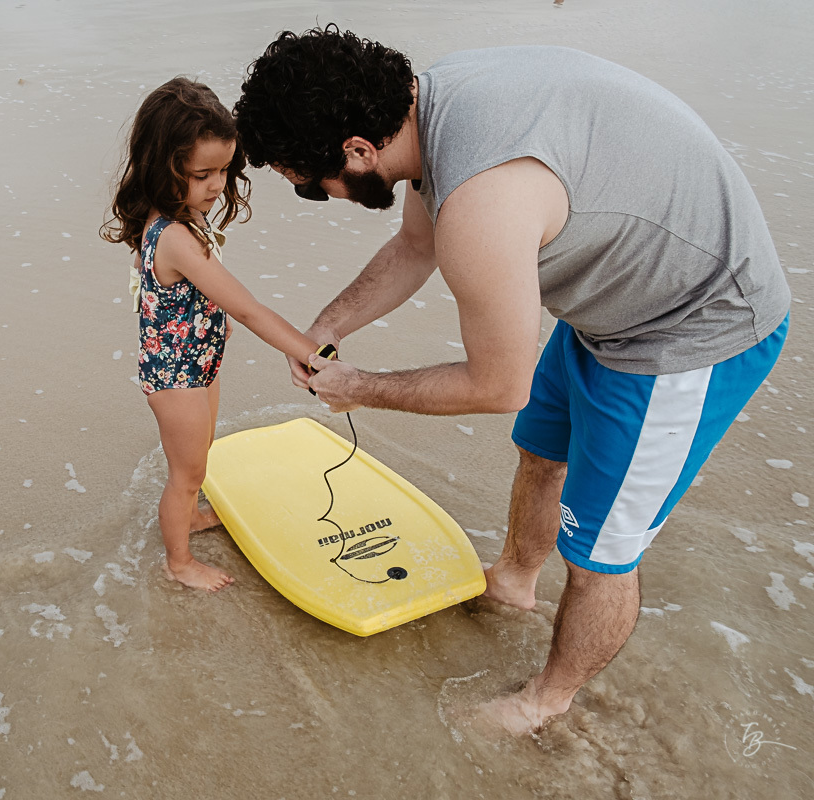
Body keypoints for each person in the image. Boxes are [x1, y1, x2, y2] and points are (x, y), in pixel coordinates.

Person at [234, 28, 790, 732]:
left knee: (599, 556)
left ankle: (544, 703)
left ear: (358, 151)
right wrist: (331, 325)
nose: (321, 196)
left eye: (312, 187)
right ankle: (516, 582)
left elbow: (499, 387)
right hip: (617, 296)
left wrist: (360, 386)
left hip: (691, 326)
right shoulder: (432, 106)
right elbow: (414, 245)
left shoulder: (480, 200)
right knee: (542, 450)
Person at [101, 77, 324, 593]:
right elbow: (246, 309)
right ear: (164, 167)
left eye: (225, 169)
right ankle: (177, 562)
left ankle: (192, 515)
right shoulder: (175, 236)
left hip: (198, 362)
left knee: (200, 458)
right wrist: (314, 354)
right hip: (174, 375)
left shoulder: (179, 217)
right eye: (202, 174)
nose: (218, 184)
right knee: (186, 471)